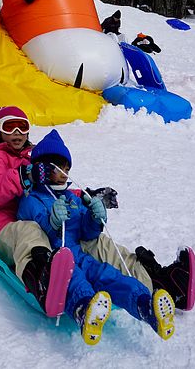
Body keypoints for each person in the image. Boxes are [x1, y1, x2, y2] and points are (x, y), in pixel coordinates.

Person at [0, 106, 195, 315]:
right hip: (8, 227)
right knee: (31, 232)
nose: (18, 132)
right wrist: (24, 175)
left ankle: (162, 284)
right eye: (10, 127)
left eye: (23, 125)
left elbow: (52, 191)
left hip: (48, 221)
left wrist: (86, 197)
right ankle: (45, 282)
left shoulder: (34, 156)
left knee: (99, 243)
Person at [17, 130, 176, 345]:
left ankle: (145, 305)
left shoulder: (71, 198)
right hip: (57, 258)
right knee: (74, 278)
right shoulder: (32, 199)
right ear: (43, 169)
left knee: (106, 274)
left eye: (66, 169)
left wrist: (94, 218)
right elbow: (36, 228)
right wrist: (52, 221)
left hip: (79, 253)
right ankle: (84, 310)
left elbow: (86, 233)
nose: (64, 174)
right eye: (58, 168)